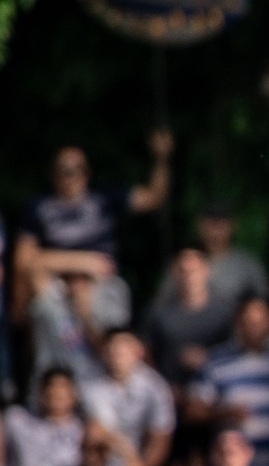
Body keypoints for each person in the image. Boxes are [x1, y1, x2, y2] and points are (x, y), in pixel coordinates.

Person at [11, 132, 173, 327]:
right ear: (53, 174)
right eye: (64, 170)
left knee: (88, 296)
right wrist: (84, 262)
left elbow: (153, 198)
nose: (71, 176)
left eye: (78, 169)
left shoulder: (103, 198)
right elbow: (24, 262)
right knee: (42, 285)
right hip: (59, 286)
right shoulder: (39, 207)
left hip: (103, 285)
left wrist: (161, 159)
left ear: (87, 172)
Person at [188, 297, 269, 466]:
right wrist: (223, 413)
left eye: (260, 321)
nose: (254, 327)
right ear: (238, 323)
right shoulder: (217, 362)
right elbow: (193, 410)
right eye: (248, 322)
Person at [82, 330, 176, 466]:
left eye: (122, 350)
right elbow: (99, 431)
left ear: (137, 352)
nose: (116, 354)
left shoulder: (155, 386)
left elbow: (161, 435)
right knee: (93, 435)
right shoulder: (90, 386)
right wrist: (124, 449)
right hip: (110, 454)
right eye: (112, 350)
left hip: (142, 459)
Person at [142, 248, 240, 388]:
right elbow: (145, 353)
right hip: (169, 392)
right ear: (173, 272)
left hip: (217, 394)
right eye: (183, 271)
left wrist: (209, 359)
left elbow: (238, 352)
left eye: (194, 271)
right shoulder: (157, 311)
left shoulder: (227, 312)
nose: (189, 277)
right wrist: (160, 388)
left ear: (207, 270)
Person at [152, 200, 269, 314]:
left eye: (221, 224)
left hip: (233, 330)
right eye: (210, 224)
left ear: (233, 226)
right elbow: (162, 302)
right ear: (200, 226)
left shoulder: (247, 264)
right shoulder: (183, 262)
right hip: (188, 327)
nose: (215, 231)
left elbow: (262, 307)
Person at [27, 267, 127, 383]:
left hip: (94, 382)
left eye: (84, 280)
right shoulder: (55, 307)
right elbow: (37, 270)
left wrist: (84, 314)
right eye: (71, 279)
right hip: (59, 383)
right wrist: (84, 261)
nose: (77, 286)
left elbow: (106, 350)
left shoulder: (103, 311)